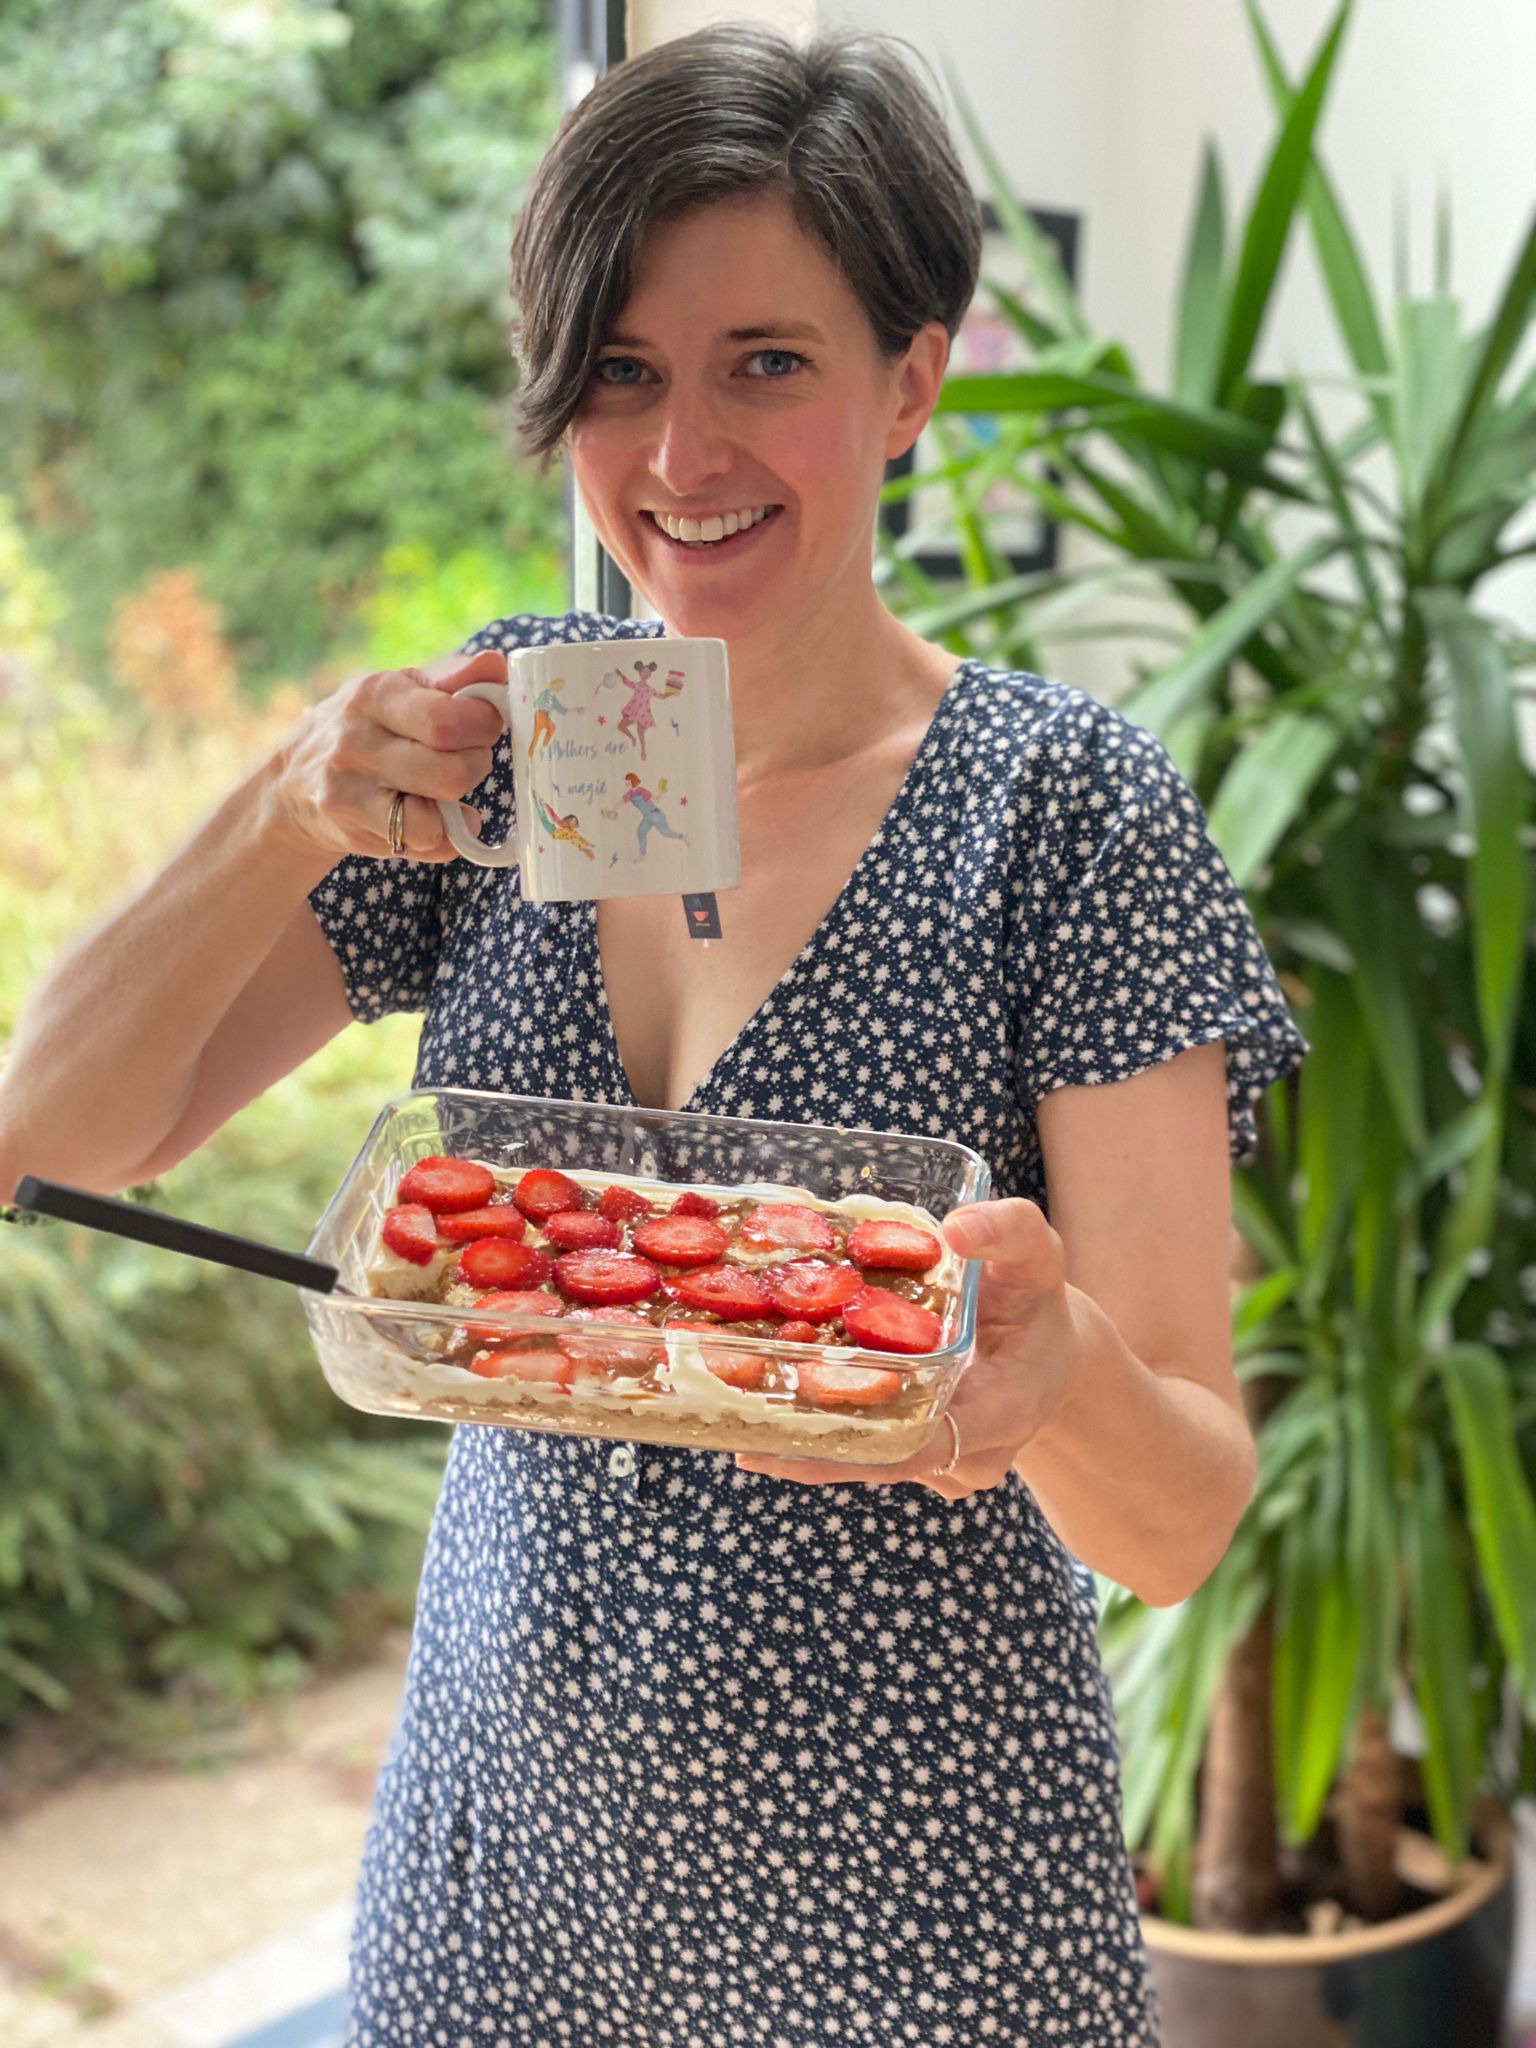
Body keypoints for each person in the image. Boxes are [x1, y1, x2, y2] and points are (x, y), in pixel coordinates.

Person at [0, 24, 1307, 2046]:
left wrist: (1053, 1373)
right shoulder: (523, 738)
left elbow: (1184, 1516)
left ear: (913, 378)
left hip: (918, 1918)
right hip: (503, 1879)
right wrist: (280, 803)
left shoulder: (1060, 810)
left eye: (762, 362)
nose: (679, 457)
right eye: (620, 373)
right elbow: (52, 1126)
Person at [621, 770, 688, 855]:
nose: (626, 782)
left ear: (632, 781)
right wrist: (611, 809)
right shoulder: (630, 794)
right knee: (641, 831)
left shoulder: (642, 791)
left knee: (665, 832)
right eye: (626, 781)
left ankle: (683, 837)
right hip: (647, 817)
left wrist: (662, 793)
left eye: (628, 780)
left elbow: (656, 800)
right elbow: (622, 802)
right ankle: (643, 854)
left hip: (655, 814)